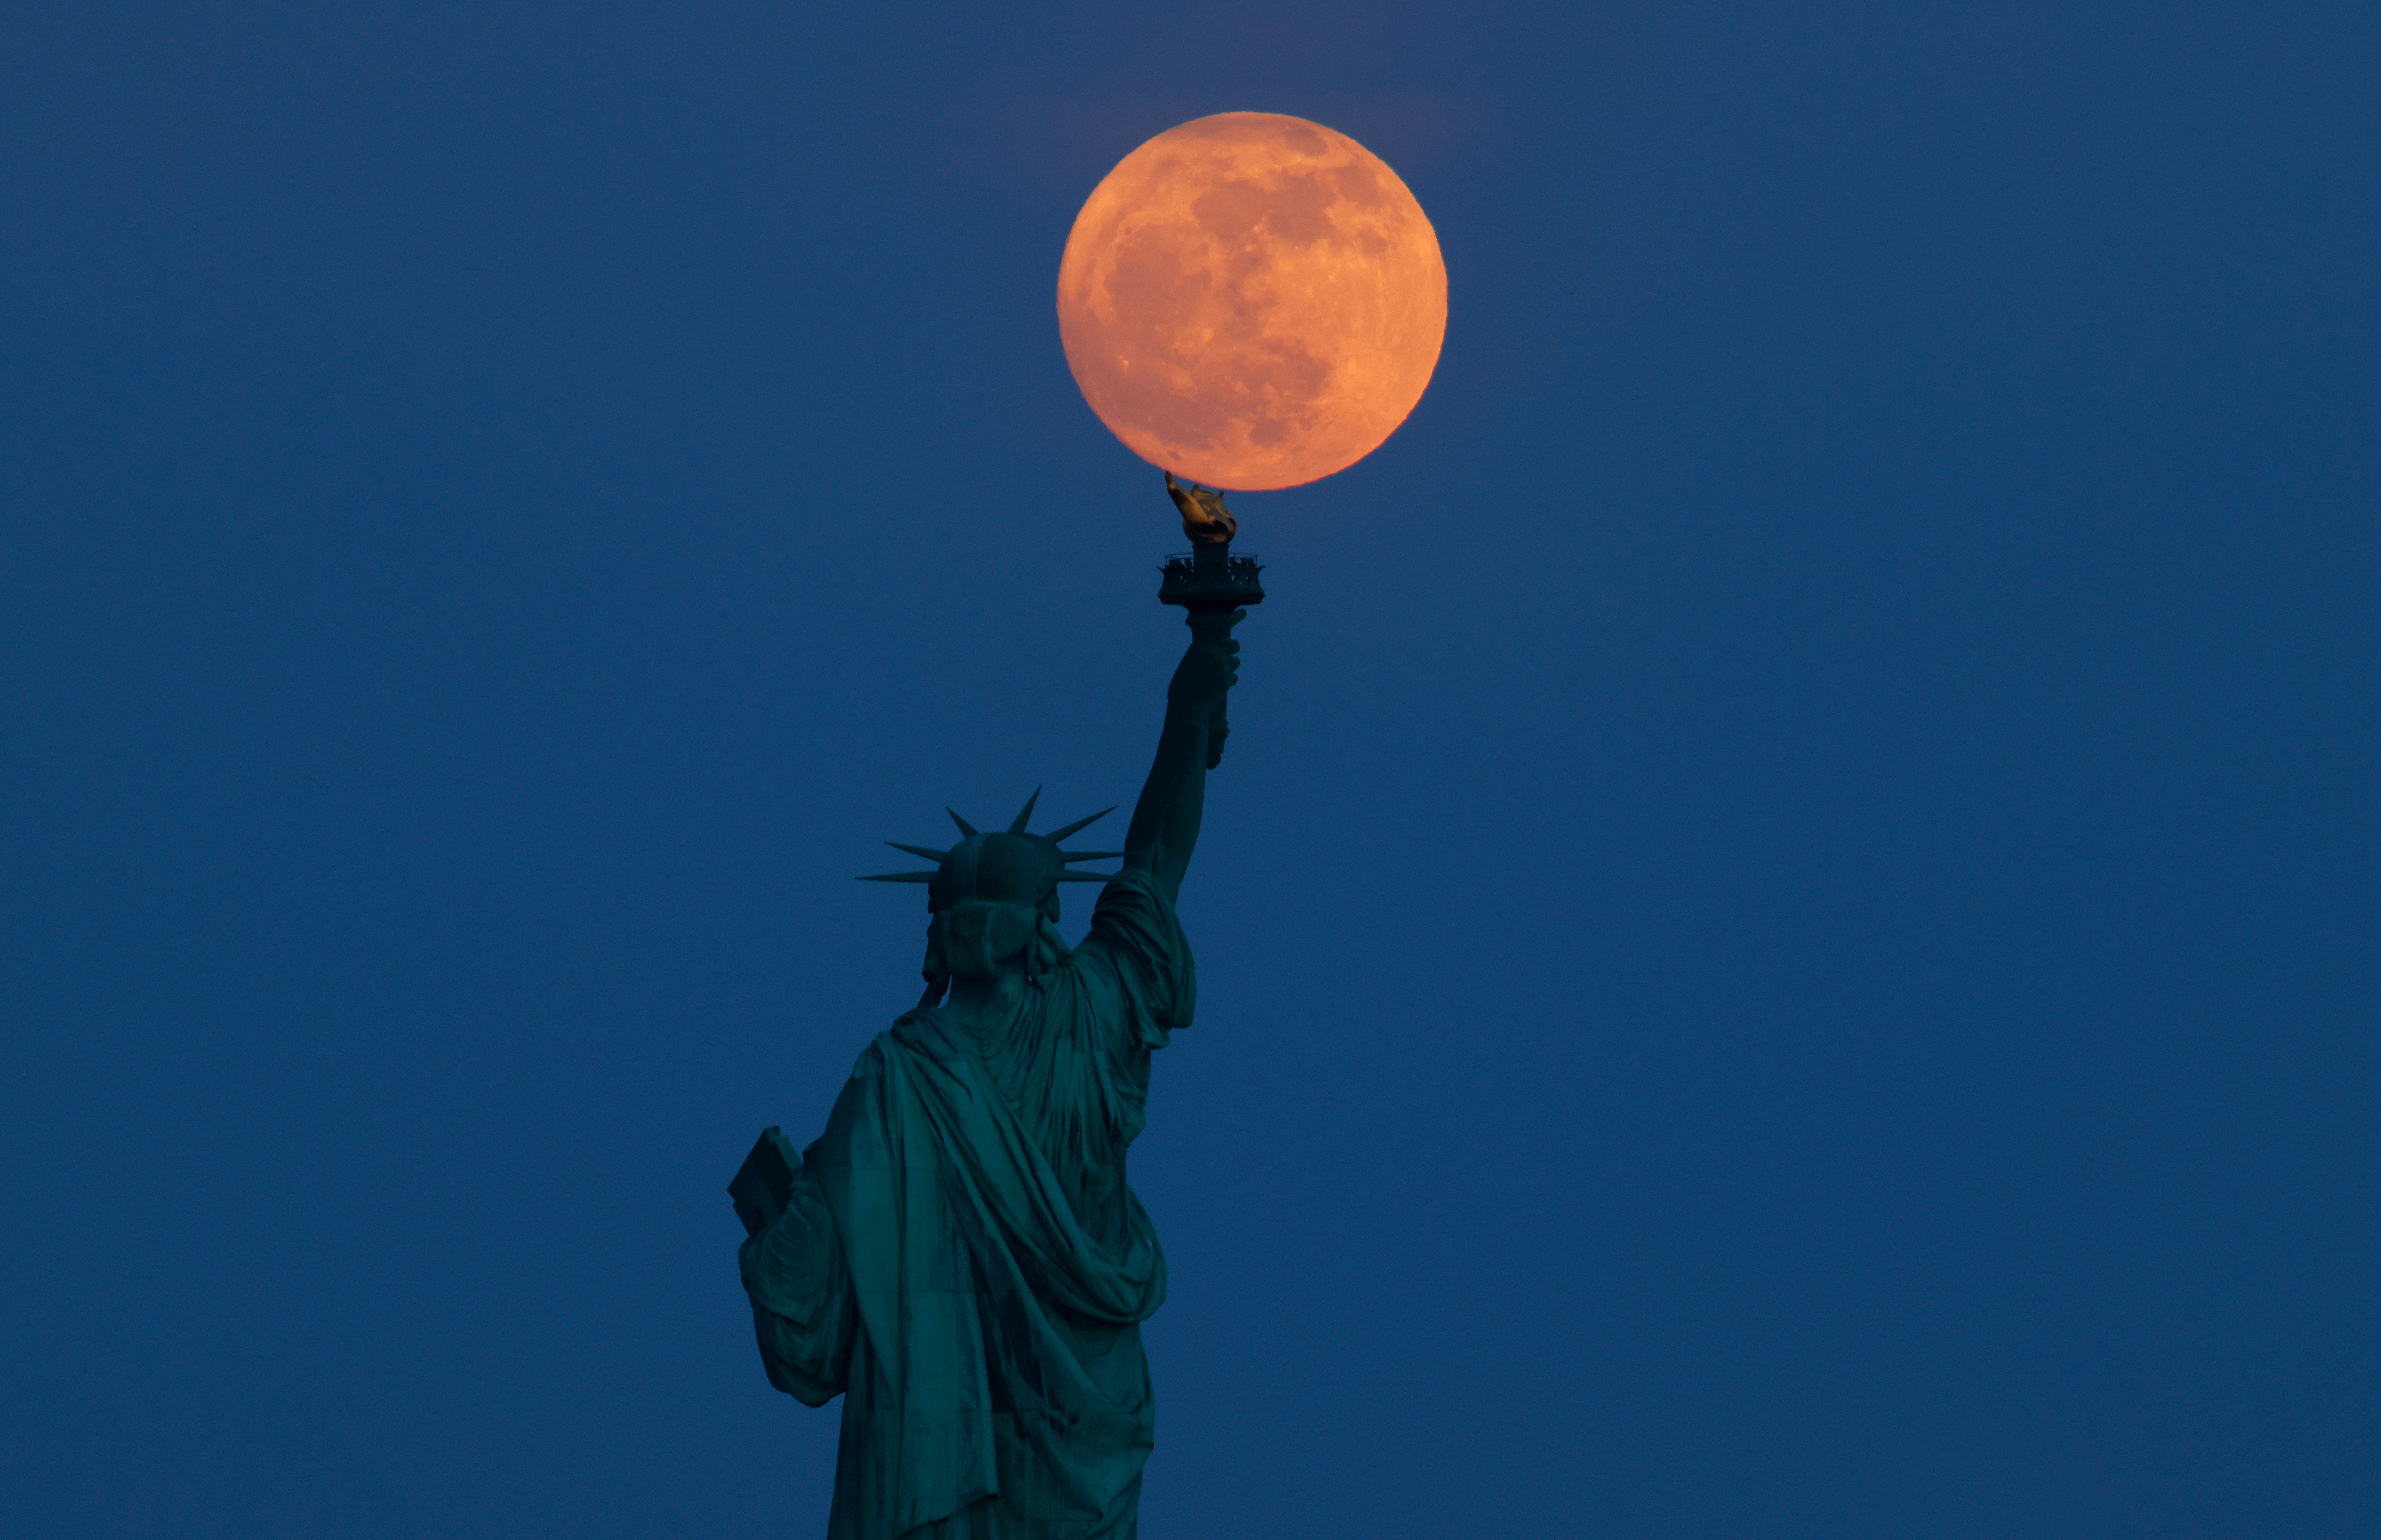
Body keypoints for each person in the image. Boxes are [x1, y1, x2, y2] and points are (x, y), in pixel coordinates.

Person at [738, 603, 1245, 1539]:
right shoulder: (1095, 1013)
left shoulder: (891, 1080)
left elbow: (808, 1314)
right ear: (1047, 915)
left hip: (939, 1470)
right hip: (1089, 1423)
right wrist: (1188, 709)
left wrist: (785, 1208)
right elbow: (1158, 860)